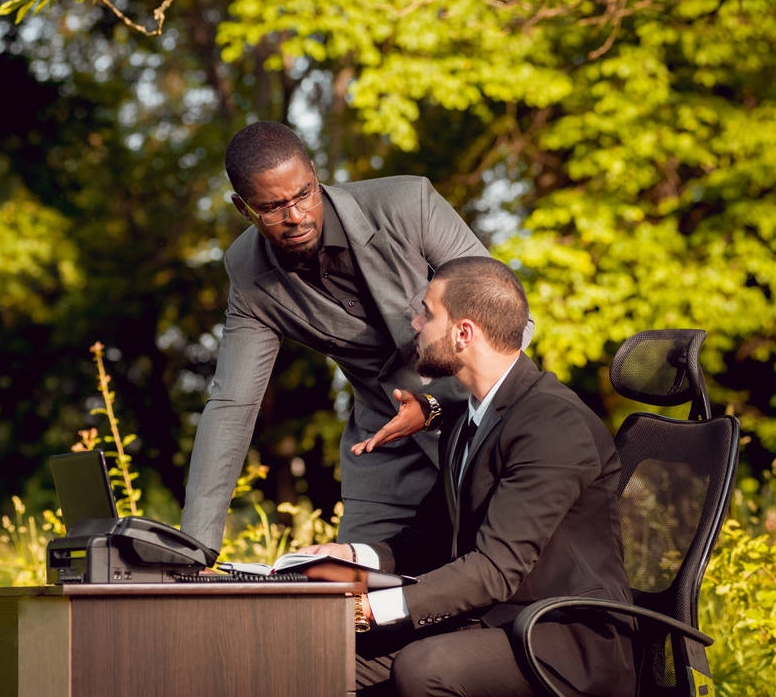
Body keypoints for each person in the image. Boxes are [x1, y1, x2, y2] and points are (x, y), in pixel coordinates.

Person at [180, 121, 531, 552]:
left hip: (483, 424)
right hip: (383, 447)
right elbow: (231, 405)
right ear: (243, 208)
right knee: (349, 593)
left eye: (303, 194)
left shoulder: (407, 204)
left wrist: (436, 406)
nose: (296, 217)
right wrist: (195, 548)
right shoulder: (249, 274)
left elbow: (510, 320)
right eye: (272, 208)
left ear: (314, 173)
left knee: (488, 578)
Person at [301, 256, 635, 697]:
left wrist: (369, 608)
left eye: (427, 312)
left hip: (563, 636)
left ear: (463, 333)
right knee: (322, 652)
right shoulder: (466, 419)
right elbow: (428, 538)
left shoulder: (553, 425)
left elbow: (496, 568)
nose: (416, 324)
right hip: (492, 619)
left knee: (425, 668)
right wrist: (350, 557)